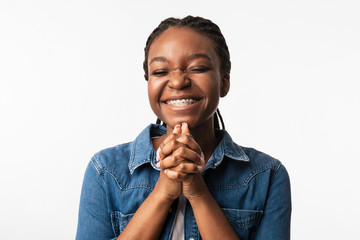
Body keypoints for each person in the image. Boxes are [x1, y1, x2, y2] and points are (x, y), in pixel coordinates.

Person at [76, 16, 291, 240]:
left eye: (197, 68)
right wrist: (163, 192)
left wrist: (197, 192)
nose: (178, 82)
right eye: (160, 72)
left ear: (224, 82)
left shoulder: (267, 176)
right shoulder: (105, 171)